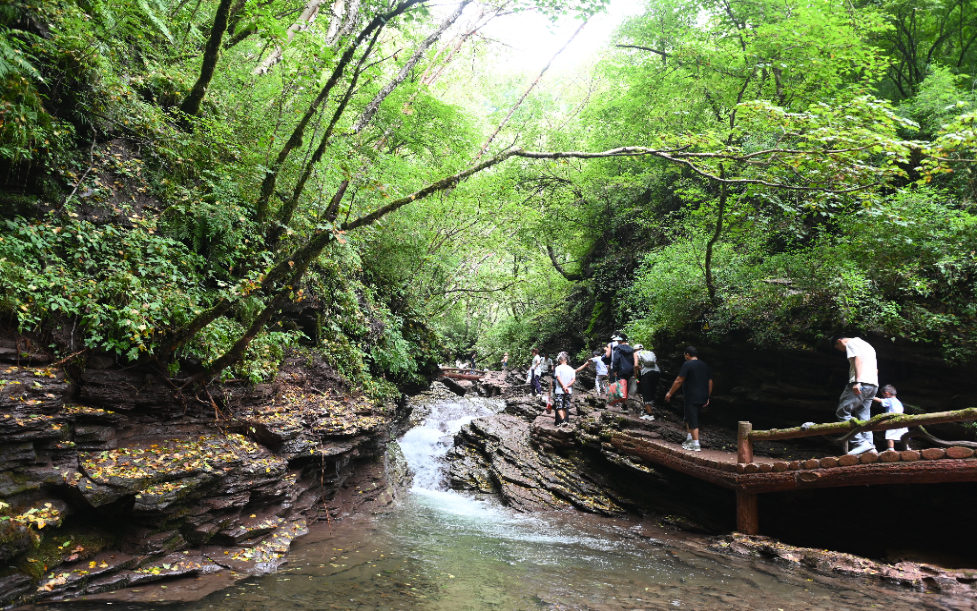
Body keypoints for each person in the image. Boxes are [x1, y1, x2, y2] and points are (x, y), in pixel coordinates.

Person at [831, 335, 879, 455]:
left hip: (861, 382)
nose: (841, 350)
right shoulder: (868, 345)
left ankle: (860, 443)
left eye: (838, 348)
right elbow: (876, 369)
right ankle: (870, 448)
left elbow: (858, 359)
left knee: (842, 411)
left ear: (840, 341)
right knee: (864, 417)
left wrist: (858, 381)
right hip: (873, 384)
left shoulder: (851, 344)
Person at [664, 346, 712, 452]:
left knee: (693, 419)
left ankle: (696, 444)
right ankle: (690, 439)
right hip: (702, 396)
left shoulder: (687, 364)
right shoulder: (705, 366)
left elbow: (679, 380)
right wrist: (707, 396)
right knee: (688, 417)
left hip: (692, 396)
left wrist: (670, 393)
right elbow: (710, 382)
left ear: (687, 355)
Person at [872, 384, 910, 451]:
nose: (883, 397)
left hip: (893, 420)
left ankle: (891, 449)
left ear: (886, 393)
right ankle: (907, 448)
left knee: (890, 435)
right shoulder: (898, 401)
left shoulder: (889, 400)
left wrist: (870, 396)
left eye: (883, 395)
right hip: (902, 420)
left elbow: (880, 400)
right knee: (904, 435)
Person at [633, 343, 660, 421]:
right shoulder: (650, 352)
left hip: (646, 373)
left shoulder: (636, 353)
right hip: (657, 372)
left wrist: (636, 375)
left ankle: (650, 415)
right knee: (652, 391)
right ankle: (646, 410)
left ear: (635, 349)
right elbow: (656, 362)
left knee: (646, 392)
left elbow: (635, 365)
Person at [610, 334, 635, 405]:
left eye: (618, 340)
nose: (617, 341)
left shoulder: (618, 348)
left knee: (620, 386)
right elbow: (633, 360)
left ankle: (621, 404)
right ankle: (624, 404)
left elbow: (616, 359)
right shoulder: (631, 349)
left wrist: (615, 370)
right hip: (630, 370)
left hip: (621, 370)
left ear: (620, 340)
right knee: (626, 386)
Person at [552, 352, 576, 427]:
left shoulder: (558, 368)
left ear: (560, 361)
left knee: (559, 406)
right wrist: (567, 386)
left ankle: (562, 421)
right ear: (566, 360)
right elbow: (573, 380)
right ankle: (565, 421)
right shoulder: (571, 369)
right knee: (565, 406)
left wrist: (563, 386)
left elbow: (558, 378)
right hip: (568, 391)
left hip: (559, 390)